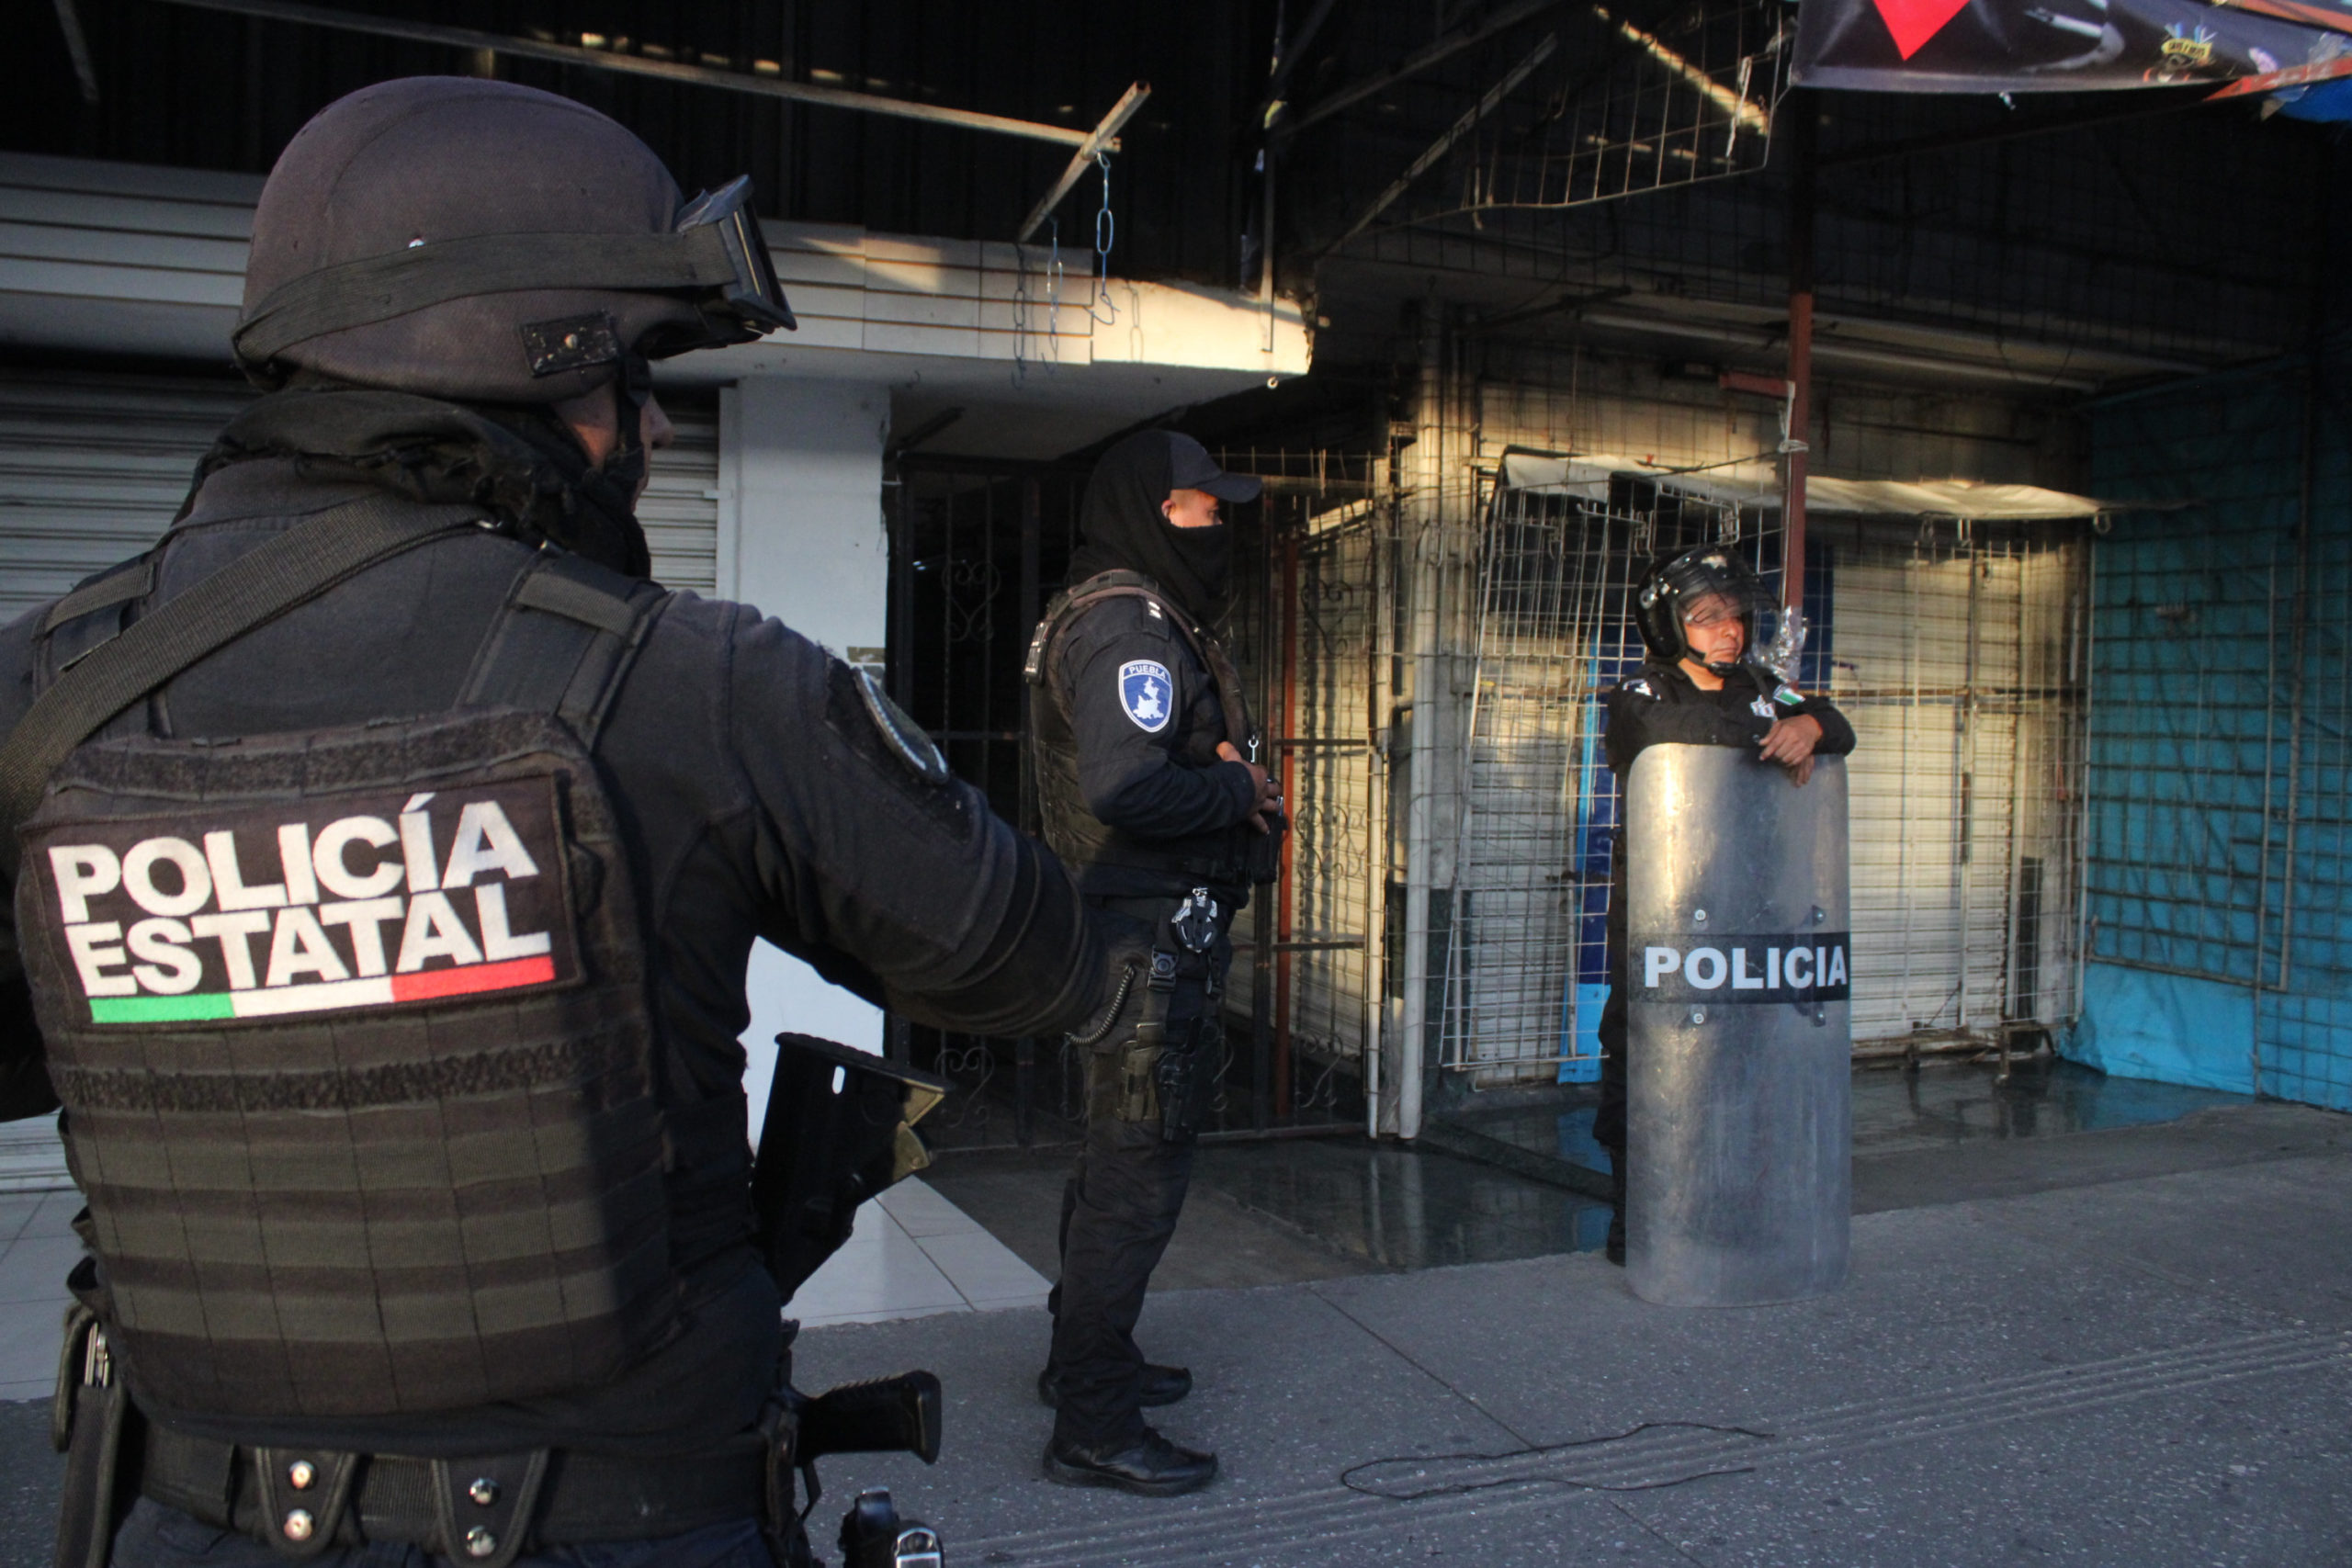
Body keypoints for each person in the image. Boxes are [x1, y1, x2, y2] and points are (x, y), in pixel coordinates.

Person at [1, 77, 1119, 1568]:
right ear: (539, 358)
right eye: (642, 372)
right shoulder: (697, 680)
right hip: (622, 1516)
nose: (654, 422)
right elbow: (1033, 964)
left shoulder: (44, 689)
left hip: (187, 1510)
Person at [1022, 430, 1281, 1496]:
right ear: (1143, 507)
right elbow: (1124, 790)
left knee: (1112, 1166)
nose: (1217, 521)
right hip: (1145, 945)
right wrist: (1237, 791)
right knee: (1137, 1179)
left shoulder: (1112, 609)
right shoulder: (1128, 623)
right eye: (1196, 507)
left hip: (1133, 937)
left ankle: (1085, 1361)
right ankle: (1092, 1421)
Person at [1593, 545, 1857, 1264]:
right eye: (1707, 617)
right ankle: (1640, 1222)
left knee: (1744, 1065)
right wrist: (1779, 732)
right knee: (1644, 1061)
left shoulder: (1762, 689)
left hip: (1750, 914)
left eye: (1735, 616)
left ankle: (1736, 1209)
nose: (1729, 631)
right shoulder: (1641, 696)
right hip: (1663, 919)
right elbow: (1681, 740)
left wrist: (1812, 727)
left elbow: (1836, 724)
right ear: (1670, 624)